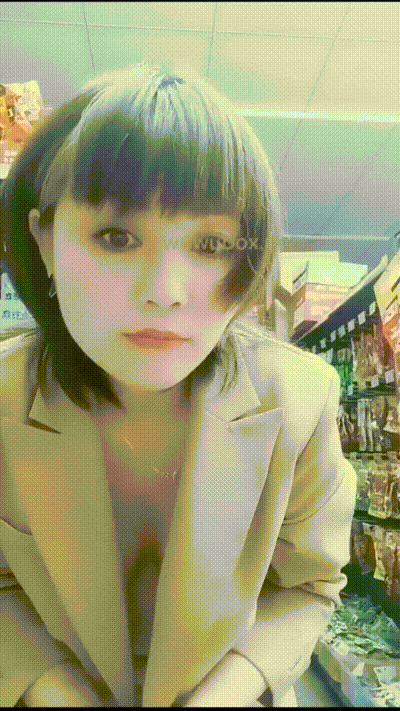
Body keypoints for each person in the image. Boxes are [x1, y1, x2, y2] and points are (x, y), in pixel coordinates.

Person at [0, 63, 357, 707]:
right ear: (45, 241)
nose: (165, 292)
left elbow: (308, 587)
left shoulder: (300, 400)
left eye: (212, 245)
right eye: (117, 236)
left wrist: (220, 697)